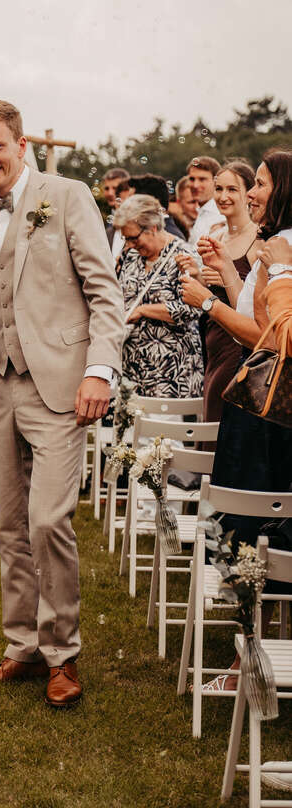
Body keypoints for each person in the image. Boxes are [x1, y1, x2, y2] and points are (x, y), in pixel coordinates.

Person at [0, 99, 123, 709]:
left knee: (49, 520)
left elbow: (104, 290)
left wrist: (99, 371)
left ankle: (64, 653)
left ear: (21, 144)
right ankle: (21, 646)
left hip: (62, 384)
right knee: (9, 527)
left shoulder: (67, 194)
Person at [181, 150, 292, 705]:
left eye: (262, 183)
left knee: (252, 534)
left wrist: (207, 303)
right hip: (262, 414)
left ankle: (251, 663)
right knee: (259, 534)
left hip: (266, 418)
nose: (251, 191)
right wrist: (225, 271)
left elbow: (266, 337)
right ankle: (258, 655)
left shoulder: (282, 249)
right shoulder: (272, 245)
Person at [177, 161, 259, 421]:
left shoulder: (259, 239)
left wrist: (225, 279)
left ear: (248, 193)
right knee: (210, 412)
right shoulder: (215, 232)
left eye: (232, 189)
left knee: (223, 414)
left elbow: (257, 301)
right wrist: (197, 273)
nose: (224, 197)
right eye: (219, 189)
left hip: (238, 341)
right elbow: (209, 288)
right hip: (211, 336)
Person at [113, 195, 203, 398]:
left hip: (172, 370)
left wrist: (143, 311)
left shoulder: (184, 256)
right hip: (131, 370)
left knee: (167, 429)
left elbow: (193, 309)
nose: (130, 244)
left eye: (134, 238)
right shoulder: (130, 255)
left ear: (152, 227)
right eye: (125, 238)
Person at [128, 173, 186, 240]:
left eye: (132, 201)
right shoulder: (148, 230)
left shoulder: (171, 235)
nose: (128, 206)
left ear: (150, 202)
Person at [186, 156, 224, 245]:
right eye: (192, 179)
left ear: (216, 181)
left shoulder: (220, 215)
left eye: (202, 179)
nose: (195, 185)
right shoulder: (201, 211)